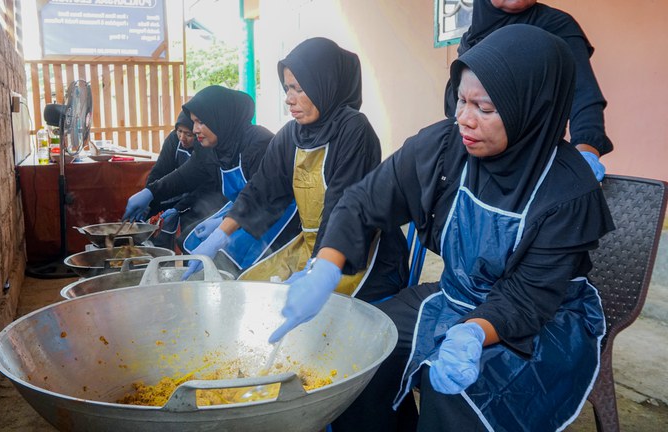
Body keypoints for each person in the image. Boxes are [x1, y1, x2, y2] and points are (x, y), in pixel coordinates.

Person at [270, 25, 615, 431]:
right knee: (355, 351)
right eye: (461, 101)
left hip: (540, 320)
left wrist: (471, 335)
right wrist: (326, 267)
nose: (464, 119)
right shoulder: (444, 148)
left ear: (531, 109)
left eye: (484, 109)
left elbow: (527, 300)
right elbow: (365, 200)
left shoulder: (566, 191)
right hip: (457, 295)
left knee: (452, 389)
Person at [182, 37, 409, 301]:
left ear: (325, 84)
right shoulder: (292, 134)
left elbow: (343, 209)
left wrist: (317, 269)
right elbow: (262, 190)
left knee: (299, 308)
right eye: (287, 88)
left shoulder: (354, 130)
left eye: (299, 89)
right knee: (251, 290)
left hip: (357, 253)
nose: (289, 99)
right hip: (312, 246)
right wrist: (221, 233)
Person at [444, 0, 613, 181]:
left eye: (484, 108)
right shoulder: (472, 36)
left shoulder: (555, 25)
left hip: (530, 169)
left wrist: (586, 153)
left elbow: (583, 95)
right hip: (472, 163)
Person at [140, 85, 298, 275]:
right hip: (240, 209)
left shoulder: (257, 142)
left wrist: (222, 228)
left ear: (219, 117)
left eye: (200, 122)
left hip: (273, 214)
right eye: (193, 122)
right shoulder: (215, 146)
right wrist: (150, 193)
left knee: (233, 264)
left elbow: (263, 195)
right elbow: (184, 175)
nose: (195, 129)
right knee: (190, 242)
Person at [141, 112, 223, 250]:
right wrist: (148, 196)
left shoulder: (207, 149)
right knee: (157, 220)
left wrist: (178, 208)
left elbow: (206, 186)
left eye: (189, 134)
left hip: (204, 198)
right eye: (179, 131)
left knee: (188, 234)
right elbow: (159, 172)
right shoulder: (174, 140)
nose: (182, 138)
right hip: (178, 192)